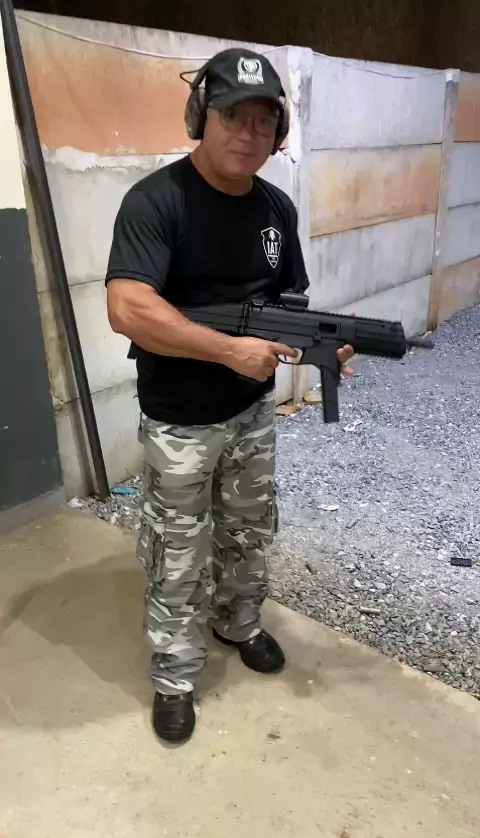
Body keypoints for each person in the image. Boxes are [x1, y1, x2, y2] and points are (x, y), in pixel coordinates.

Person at [105, 47, 354, 744]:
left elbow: (288, 303)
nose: (248, 134)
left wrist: (319, 343)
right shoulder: (157, 201)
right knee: (176, 552)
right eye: (232, 117)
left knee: (248, 531)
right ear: (201, 118)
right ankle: (175, 674)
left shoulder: (276, 208)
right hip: (180, 418)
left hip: (251, 414)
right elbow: (127, 308)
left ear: (279, 134)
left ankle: (238, 623)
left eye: (263, 122)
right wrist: (227, 350)